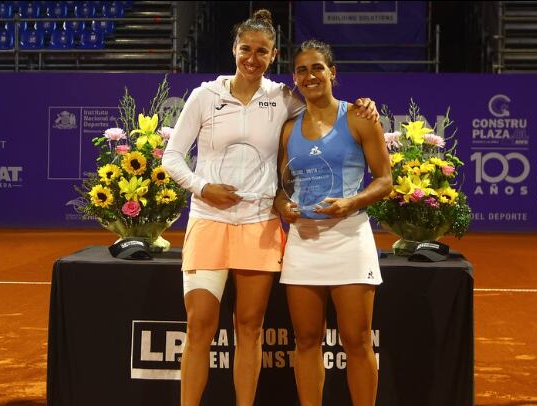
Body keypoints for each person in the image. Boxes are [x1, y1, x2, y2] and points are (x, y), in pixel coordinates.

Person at [162, 10, 378, 406]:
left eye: (262, 51)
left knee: (250, 327)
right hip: (209, 221)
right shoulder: (204, 96)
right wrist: (203, 187)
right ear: (234, 49)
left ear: (273, 55)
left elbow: (323, 109)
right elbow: (172, 157)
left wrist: (364, 105)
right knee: (199, 326)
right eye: (246, 49)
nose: (252, 58)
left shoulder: (283, 98)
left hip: (258, 224)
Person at [275, 40, 392, 406]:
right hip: (303, 242)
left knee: (357, 341)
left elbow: (385, 180)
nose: (310, 76)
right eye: (302, 70)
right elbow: (280, 188)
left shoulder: (359, 117)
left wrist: (350, 202)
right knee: (306, 340)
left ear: (332, 73)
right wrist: (284, 206)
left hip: (349, 238)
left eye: (317, 68)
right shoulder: (288, 129)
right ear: (295, 79)